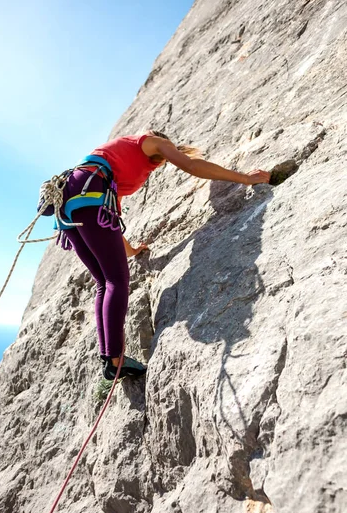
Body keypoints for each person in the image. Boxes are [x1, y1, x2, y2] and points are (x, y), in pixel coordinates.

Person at [52, 131, 270, 380]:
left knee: (104, 282)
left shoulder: (116, 162)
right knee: (116, 280)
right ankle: (115, 360)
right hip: (88, 196)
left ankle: (109, 357)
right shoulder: (151, 141)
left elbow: (108, 218)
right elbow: (190, 165)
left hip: (72, 202)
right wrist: (244, 178)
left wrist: (132, 250)